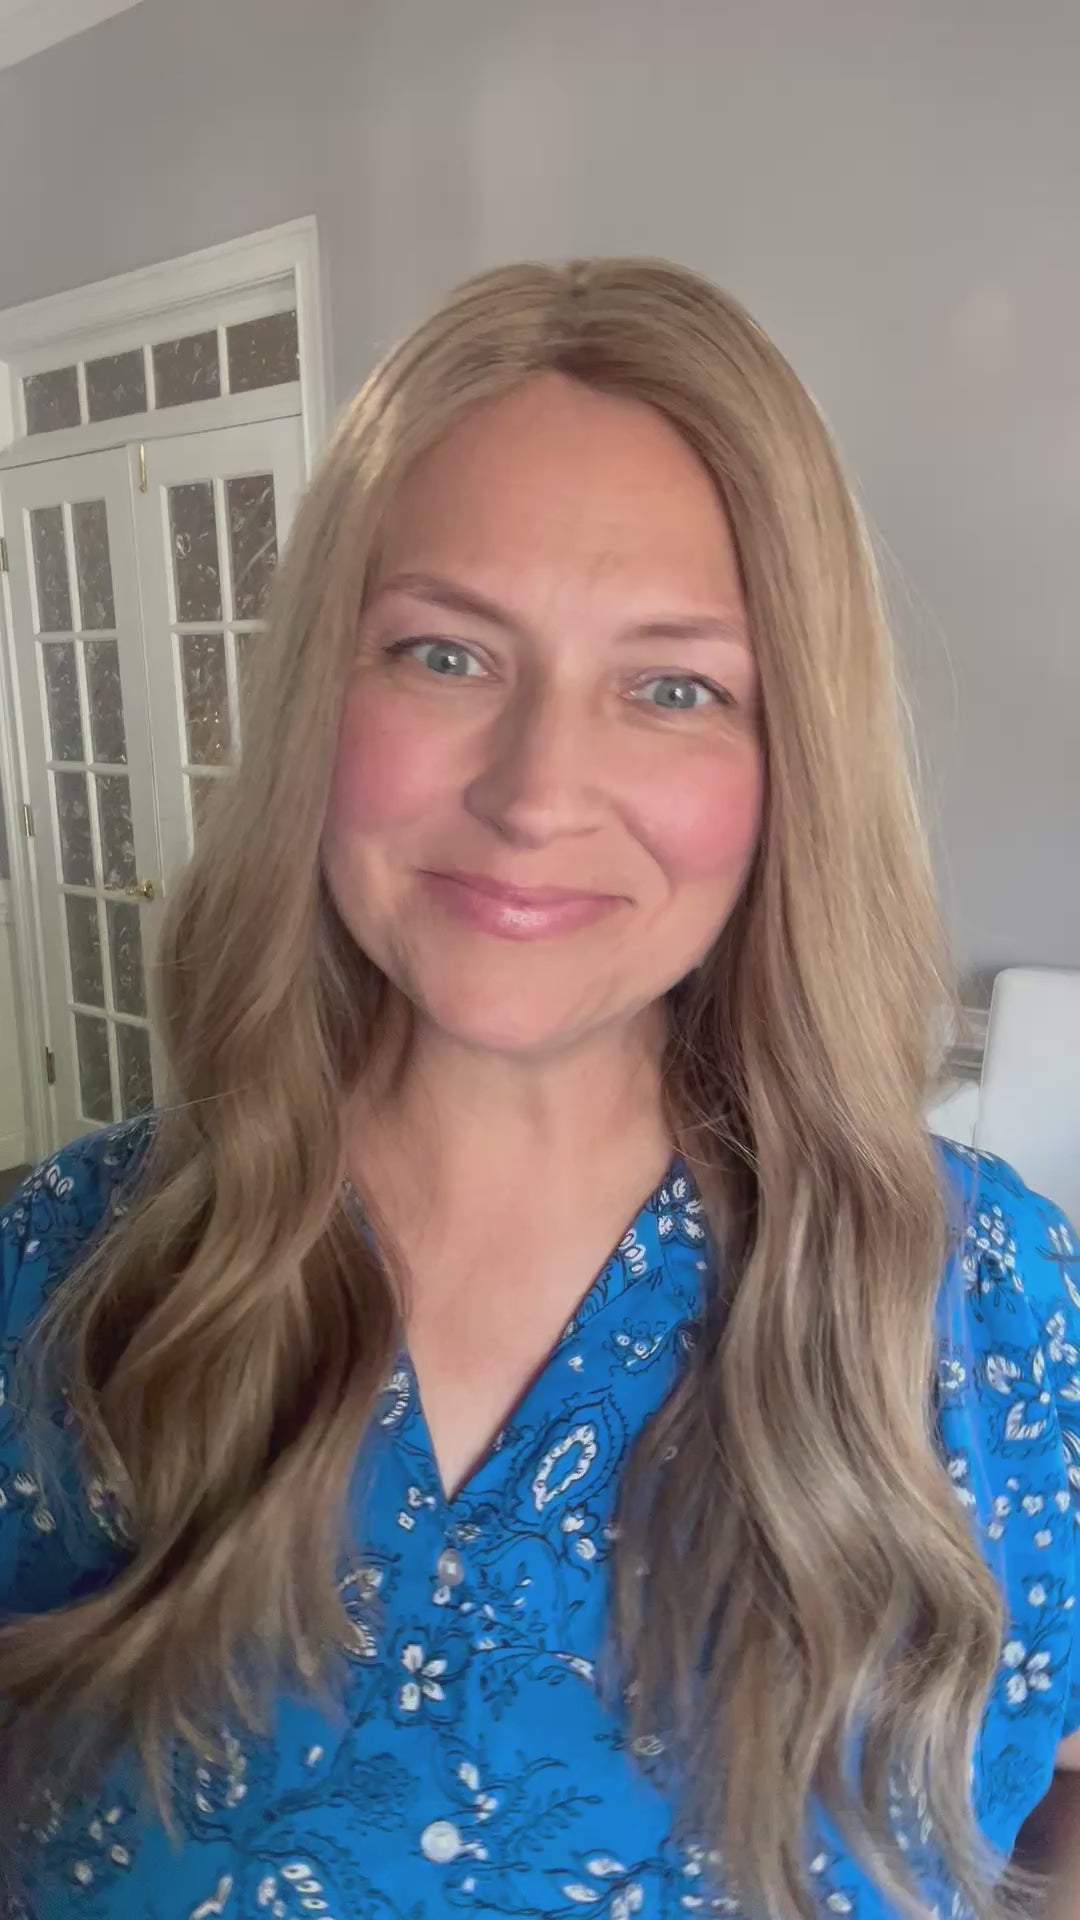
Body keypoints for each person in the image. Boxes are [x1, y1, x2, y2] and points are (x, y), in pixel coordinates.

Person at [0, 259, 1078, 1920]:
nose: (534, 791)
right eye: (445, 654)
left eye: (673, 687)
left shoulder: (993, 1312)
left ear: (789, 767)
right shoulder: (65, 1283)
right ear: (321, 701)